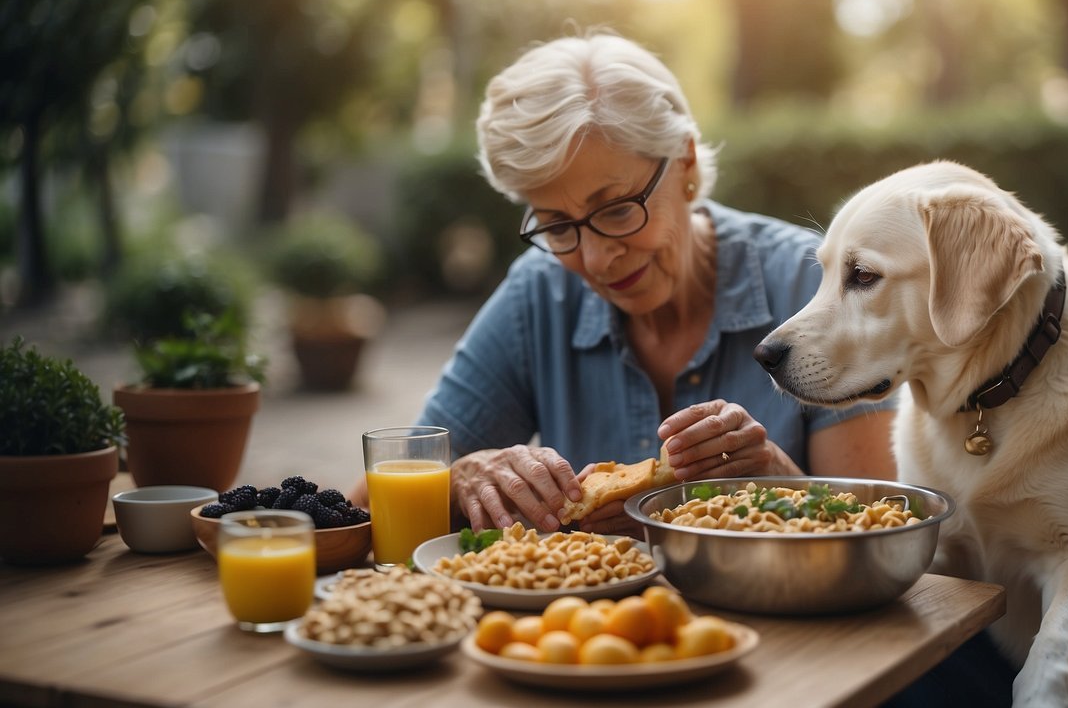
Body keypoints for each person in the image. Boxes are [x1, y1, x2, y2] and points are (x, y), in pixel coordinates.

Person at [364, 32, 897, 535]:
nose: (596, 258)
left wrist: (776, 481)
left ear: (685, 161)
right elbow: (369, 505)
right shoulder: (539, 294)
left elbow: (888, 533)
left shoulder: (819, 286)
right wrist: (461, 476)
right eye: (556, 225)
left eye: (618, 210)